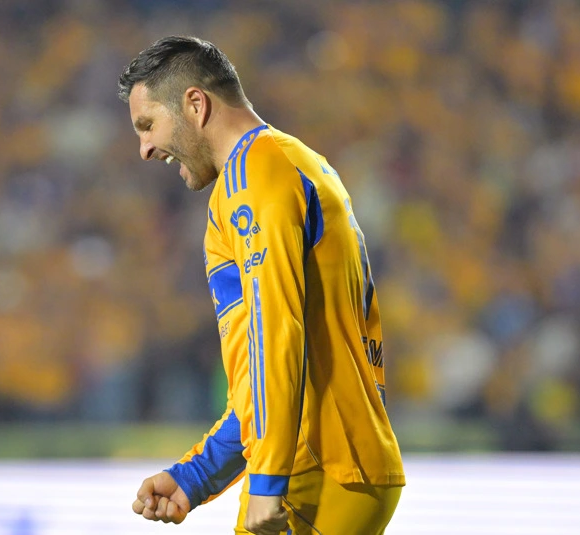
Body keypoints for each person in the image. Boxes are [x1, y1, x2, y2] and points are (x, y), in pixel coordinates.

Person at [118, 36, 405, 535]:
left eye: (147, 125)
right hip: (330, 461)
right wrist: (196, 476)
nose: (144, 148)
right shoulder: (287, 162)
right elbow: (264, 370)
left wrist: (270, 478)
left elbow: (277, 333)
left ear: (195, 104)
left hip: (315, 469)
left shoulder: (255, 175)